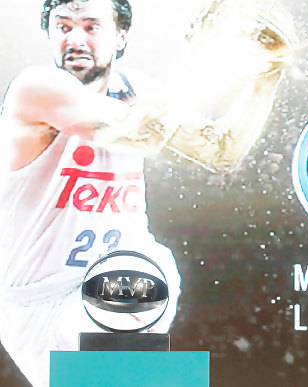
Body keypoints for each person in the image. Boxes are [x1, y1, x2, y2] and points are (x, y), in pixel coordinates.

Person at [0, 1, 181, 386]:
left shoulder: (140, 89)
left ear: (121, 35)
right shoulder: (35, 87)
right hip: (36, 302)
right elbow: (141, 130)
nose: (75, 39)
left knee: (152, 267)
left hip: (111, 278)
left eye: (90, 27)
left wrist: (266, 78)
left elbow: (222, 151)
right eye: (62, 27)